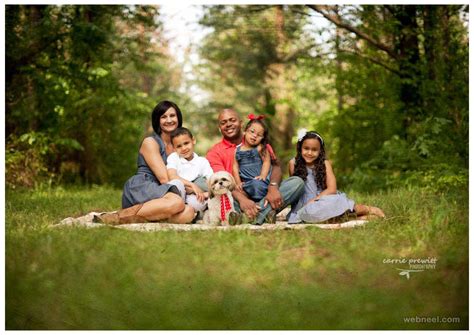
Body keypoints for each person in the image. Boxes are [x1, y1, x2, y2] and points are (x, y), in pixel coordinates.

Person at [96, 100, 195, 225]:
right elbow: (165, 179)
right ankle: (118, 216)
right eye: (164, 117)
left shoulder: (179, 146)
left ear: (178, 118)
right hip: (144, 186)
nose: (169, 120)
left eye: (172, 115)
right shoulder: (150, 142)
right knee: (177, 202)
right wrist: (192, 187)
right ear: (157, 121)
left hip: (165, 191)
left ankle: (144, 217)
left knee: (189, 212)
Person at [206, 108, 305, 225]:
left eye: (232, 120)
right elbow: (222, 184)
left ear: (242, 124)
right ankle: (263, 213)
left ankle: (249, 217)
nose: (228, 124)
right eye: (223, 123)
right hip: (239, 195)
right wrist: (243, 200)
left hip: (265, 189)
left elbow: (276, 167)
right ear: (219, 128)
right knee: (227, 199)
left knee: (297, 182)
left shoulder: (260, 144)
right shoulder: (214, 153)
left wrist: (273, 187)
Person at [287, 131, 385, 223]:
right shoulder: (293, 163)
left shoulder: (324, 164)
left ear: (320, 151)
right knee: (312, 217)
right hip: (304, 204)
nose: (309, 153)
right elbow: (295, 188)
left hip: (322, 199)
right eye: (306, 148)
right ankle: (360, 218)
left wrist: (313, 201)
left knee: (330, 206)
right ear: (300, 148)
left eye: (314, 150)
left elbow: (332, 189)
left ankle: (368, 209)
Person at [167, 127, 213, 216]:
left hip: (193, 195)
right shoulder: (174, 157)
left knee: (198, 203)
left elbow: (211, 181)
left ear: (193, 141)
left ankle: (188, 214)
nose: (184, 148)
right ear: (174, 148)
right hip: (178, 194)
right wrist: (192, 185)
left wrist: (205, 193)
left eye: (186, 143)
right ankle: (179, 211)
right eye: (179, 146)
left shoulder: (202, 161)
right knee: (176, 183)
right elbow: (172, 176)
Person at [233, 114, 272, 202]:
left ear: (262, 138)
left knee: (257, 185)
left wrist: (263, 175)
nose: (255, 136)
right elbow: (235, 167)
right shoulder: (237, 150)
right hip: (247, 183)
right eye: (252, 131)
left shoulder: (260, 148)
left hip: (259, 181)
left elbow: (267, 162)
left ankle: (261, 203)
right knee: (236, 191)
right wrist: (238, 182)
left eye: (259, 135)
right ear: (245, 131)